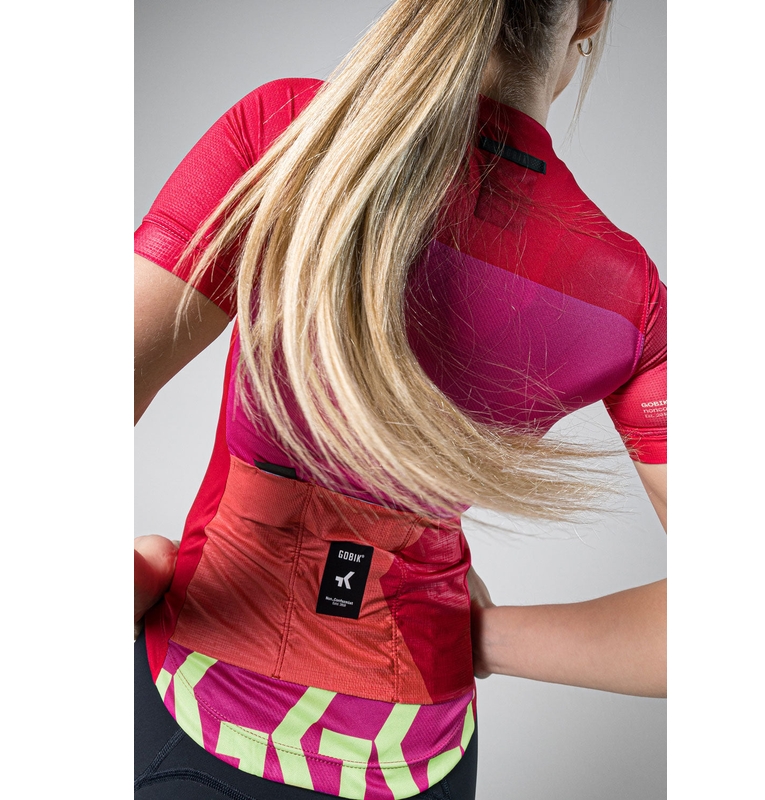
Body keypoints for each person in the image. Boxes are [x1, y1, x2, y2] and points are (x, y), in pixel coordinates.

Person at [134, 1, 666, 798]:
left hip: (198, 704)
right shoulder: (625, 295)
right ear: (587, 12)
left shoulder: (290, 137)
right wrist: (480, 638)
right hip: (419, 752)